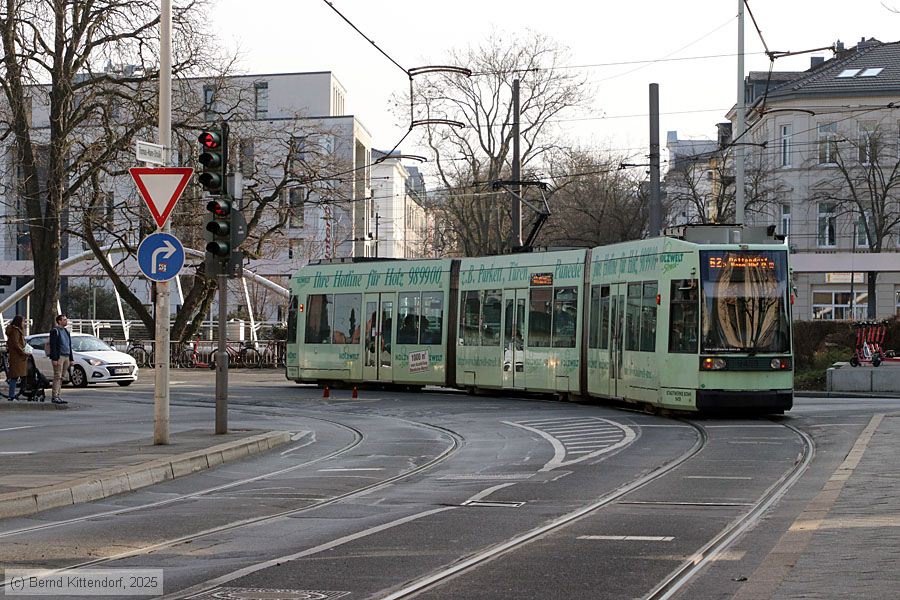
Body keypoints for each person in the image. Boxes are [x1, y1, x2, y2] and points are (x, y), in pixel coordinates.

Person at [48, 314, 72, 404]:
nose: (66, 321)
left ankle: (58, 394)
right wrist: (54, 358)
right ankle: (55, 396)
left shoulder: (66, 331)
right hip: (59, 356)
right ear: (59, 321)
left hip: (66, 355)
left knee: (62, 377)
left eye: (66, 319)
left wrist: (71, 358)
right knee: (57, 376)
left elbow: (69, 345)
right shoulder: (55, 331)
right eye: (64, 320)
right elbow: (53, 345)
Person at [4, 315, 28, 400]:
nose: (24, 323)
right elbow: (16, 344)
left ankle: (13, 395)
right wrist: (23, 352)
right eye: (23, 321)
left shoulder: (14, 330)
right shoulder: (16, 331)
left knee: (15, 376)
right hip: (18, 357)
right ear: (19, 322)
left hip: (15, 356)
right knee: (14, 377)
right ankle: (11, 396)